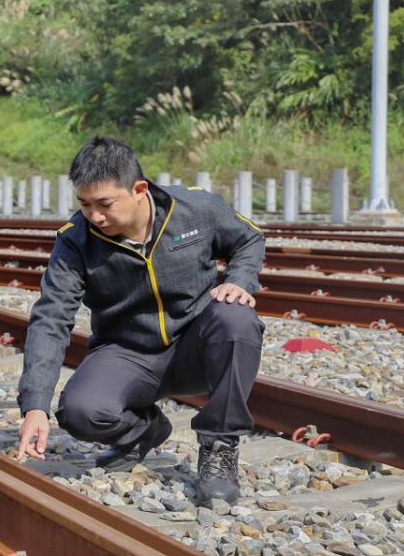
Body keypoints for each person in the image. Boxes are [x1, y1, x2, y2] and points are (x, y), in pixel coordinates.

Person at [15, 137, 265, 506]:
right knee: (80, 411)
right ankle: (144, 429)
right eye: (84, 204)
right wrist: (35, 403)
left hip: (196, 345)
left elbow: (249, 240)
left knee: (237, 319)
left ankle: (218, 448)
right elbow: (51, 318)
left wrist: (239, 281)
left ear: (139, 189)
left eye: (105, 204)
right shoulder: (75, 241)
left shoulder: (196, 208)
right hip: (128, 353)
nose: (94, 216)